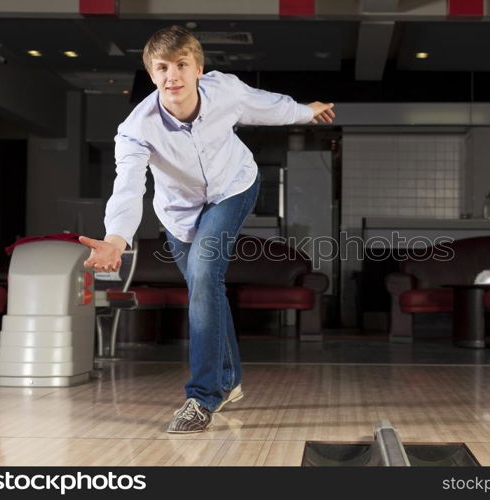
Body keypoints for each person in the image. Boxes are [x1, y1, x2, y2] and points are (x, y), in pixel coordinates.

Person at [78, 25, 335, 434]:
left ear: (198, 68)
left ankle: (202, 397)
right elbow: (127, 185)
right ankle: (228, 380)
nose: (172, 76)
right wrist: (115, 238)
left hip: (233, 188)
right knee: (205, 286)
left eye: (181, 65)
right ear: (151, 73)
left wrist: (306, 110)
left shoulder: (224, 91)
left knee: (202, 277)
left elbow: (265, 106)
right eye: (162, 68)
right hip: (179, 215)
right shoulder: (135, 129)